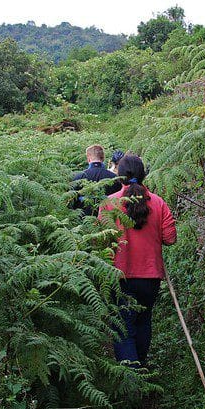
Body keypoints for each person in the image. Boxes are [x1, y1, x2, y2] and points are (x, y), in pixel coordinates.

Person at [99, 154, 176, 367]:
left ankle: (132, 374)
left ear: (119, 175)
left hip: (119, 275)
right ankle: (140, 367)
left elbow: (100, 240)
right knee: (143, 321)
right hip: (150, 276)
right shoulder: (158, 203)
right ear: (144, 174)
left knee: (123, 326)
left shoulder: (109, 203)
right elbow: (170, 238)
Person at [72, 144, 119, 216]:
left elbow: (72, 203)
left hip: (84, 220)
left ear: (88, 159)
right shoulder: (114, 178)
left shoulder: (78, 177)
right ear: (103, 158)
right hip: (108, 219)